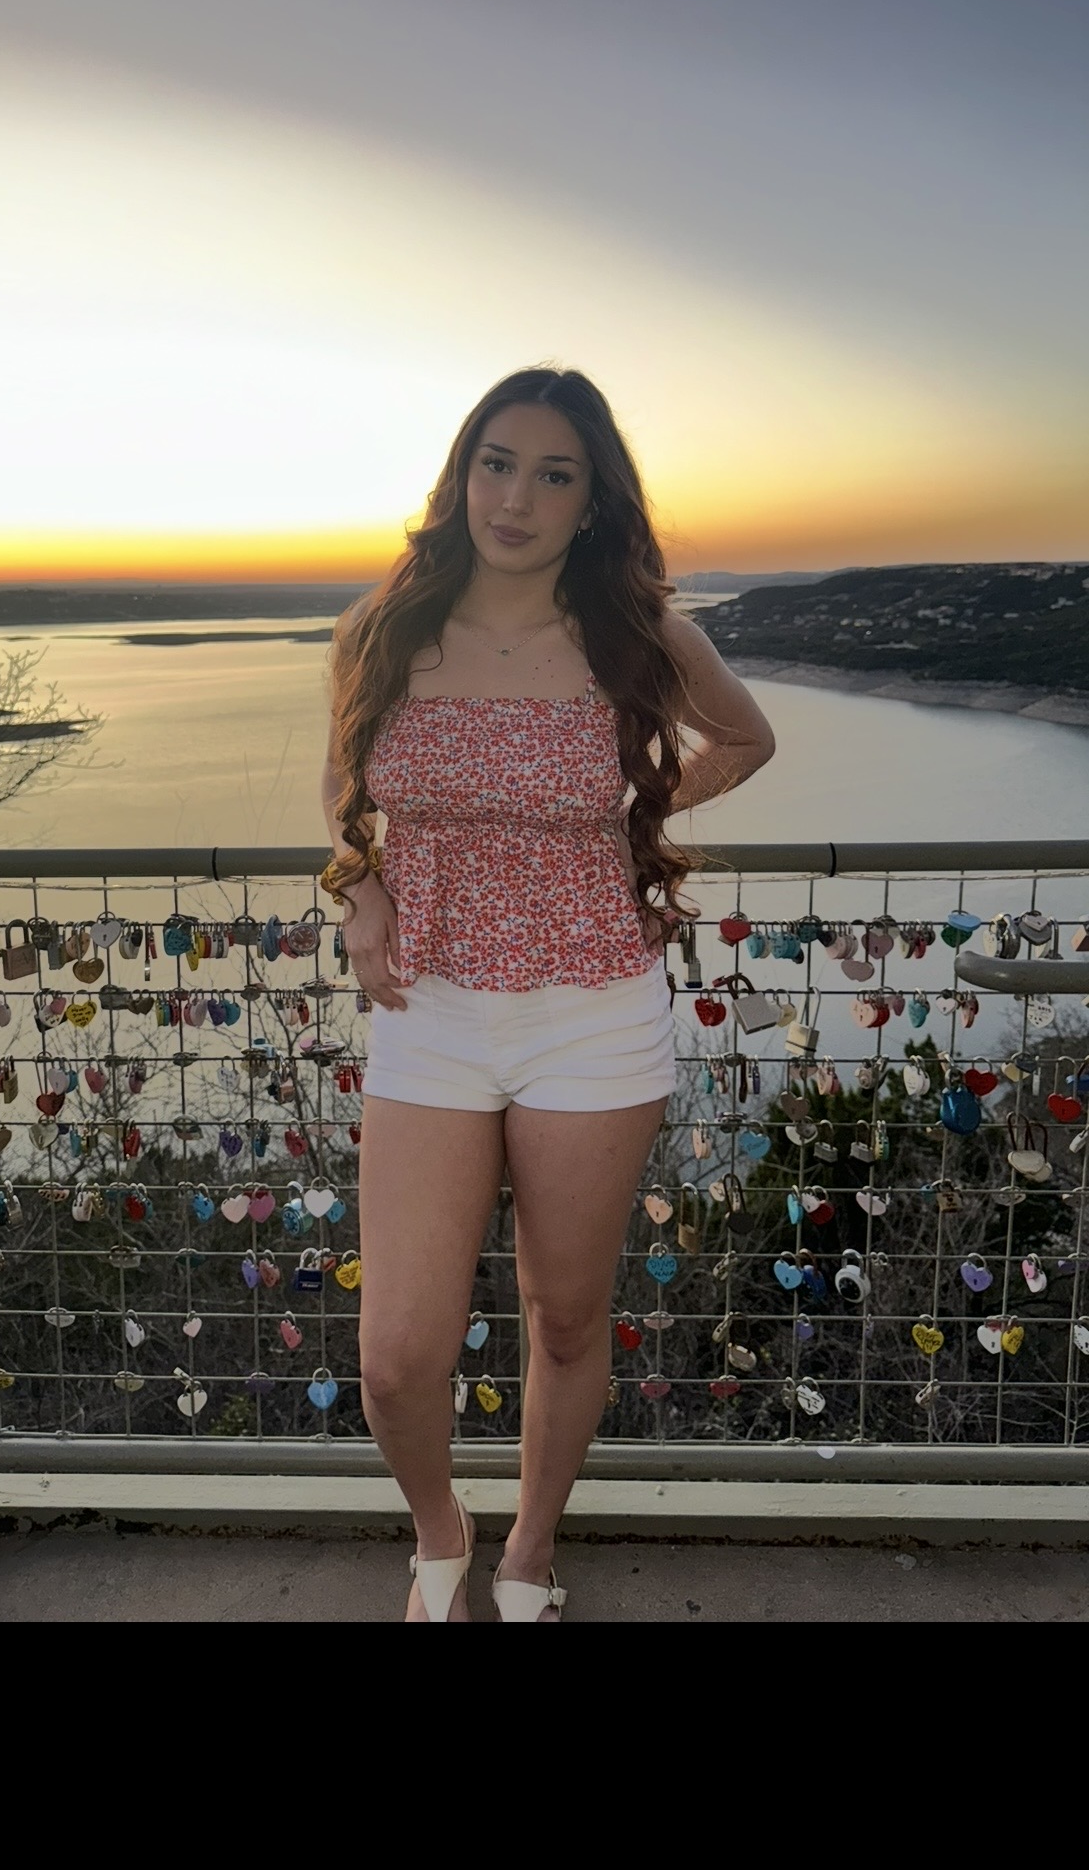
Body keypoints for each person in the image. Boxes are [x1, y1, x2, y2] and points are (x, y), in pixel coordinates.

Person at [320, 366, 776, 1620]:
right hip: (429, 1012)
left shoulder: (635, 635)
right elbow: (343, 791)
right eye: (496, 464)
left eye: (552, 474)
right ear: (461, 476)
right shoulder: (381, 631)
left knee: (564, 1317)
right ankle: (439, 1528)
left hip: (593, 1015)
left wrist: (631, 814)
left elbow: (744, 739)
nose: (515, 499)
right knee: (396, 1357)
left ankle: (528, 1547)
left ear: (591, 502)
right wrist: (359, 893)